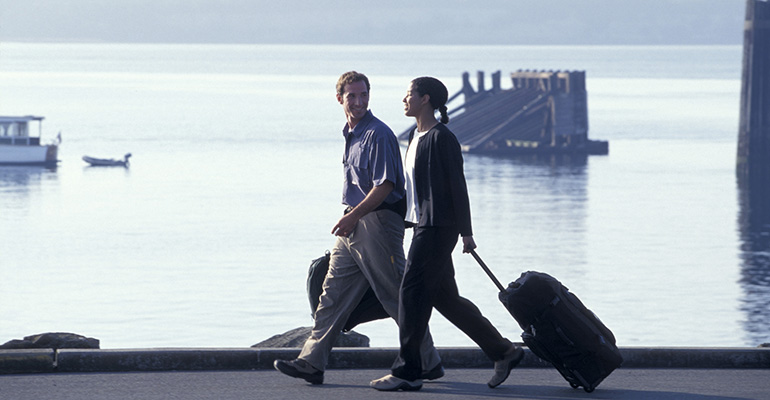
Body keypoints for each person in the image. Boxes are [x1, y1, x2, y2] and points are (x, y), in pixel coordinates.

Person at [273, 71, 443, 385]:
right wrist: (351, 217)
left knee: (396, 294)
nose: (359, 101)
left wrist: (354, 217)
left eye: (363, 94)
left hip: (378, 222)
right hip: (353, 222)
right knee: (332, 295)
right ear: (340, 99)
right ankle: (311, 362)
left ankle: (427, 362)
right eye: (352, 95)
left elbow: (385, 186)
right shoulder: (351, 133)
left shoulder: (378, 134)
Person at [370, 77, 524, 391]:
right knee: (445, 299)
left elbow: (458, 186)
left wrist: (467, 233)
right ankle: (503, 351)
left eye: (409, 94)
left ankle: (408, 372)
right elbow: (411, 189)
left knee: (411, 296)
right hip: (422, 226)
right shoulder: (415, 136)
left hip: (438, 228)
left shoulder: (442, 138)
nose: (404, 99)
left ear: (425, 99)